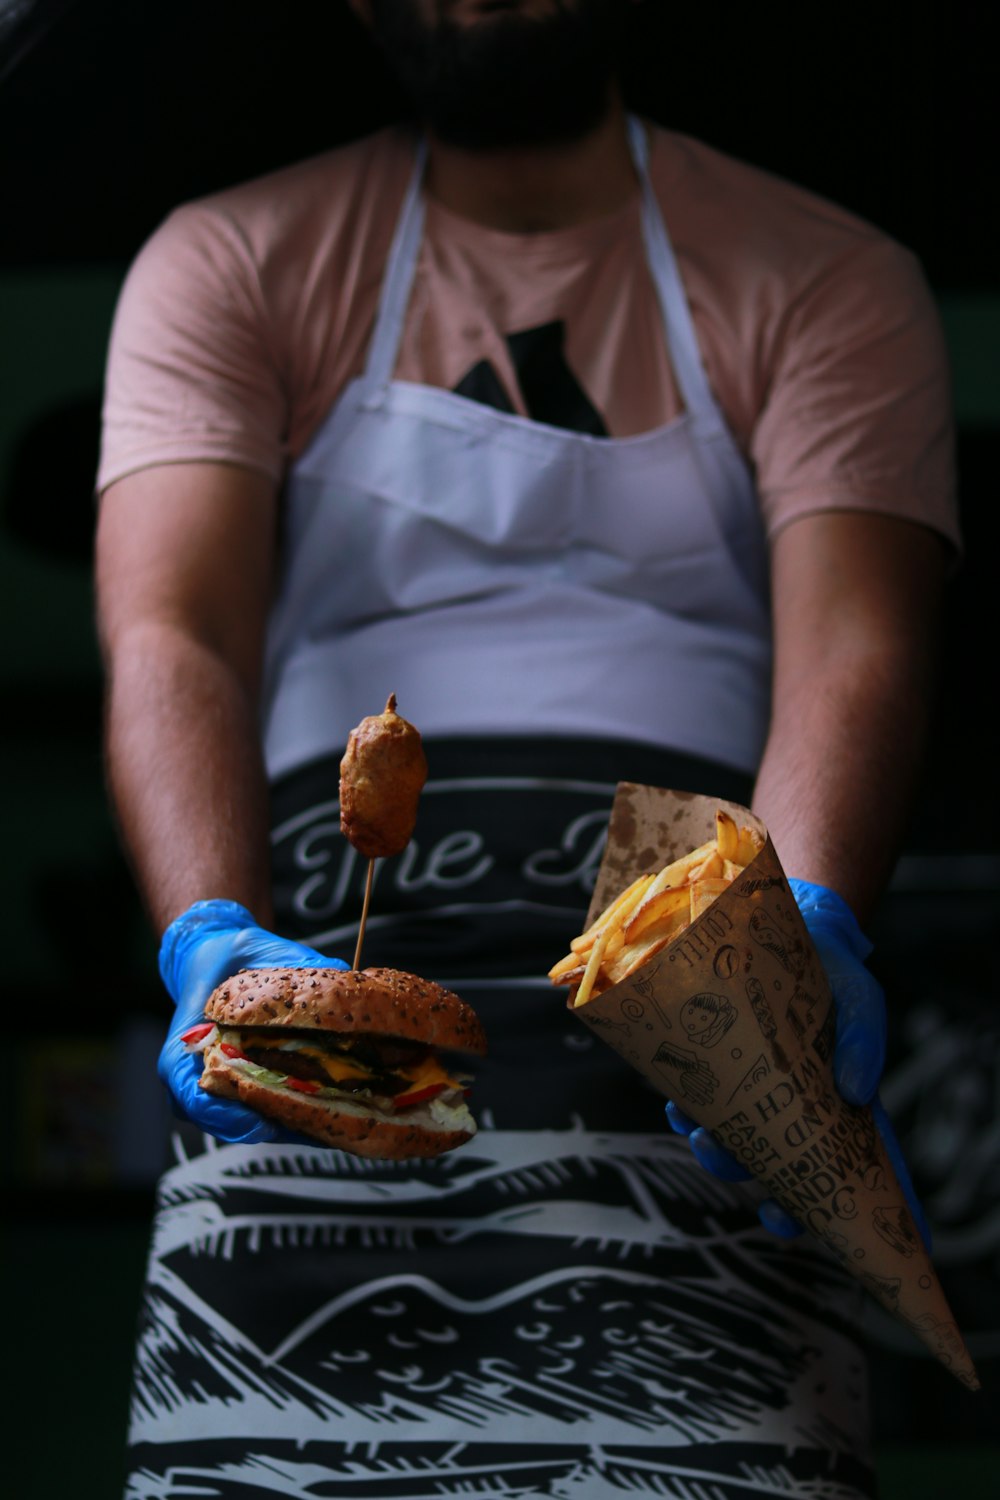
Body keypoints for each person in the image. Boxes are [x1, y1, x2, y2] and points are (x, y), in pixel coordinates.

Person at [95, 2, 958, 1496]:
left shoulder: (826, 273)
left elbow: (856, 643)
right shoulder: (232, 256)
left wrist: (799, 942)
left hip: (697, 1077)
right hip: (310, 1062)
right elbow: (176, 635)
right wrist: (208, 940)